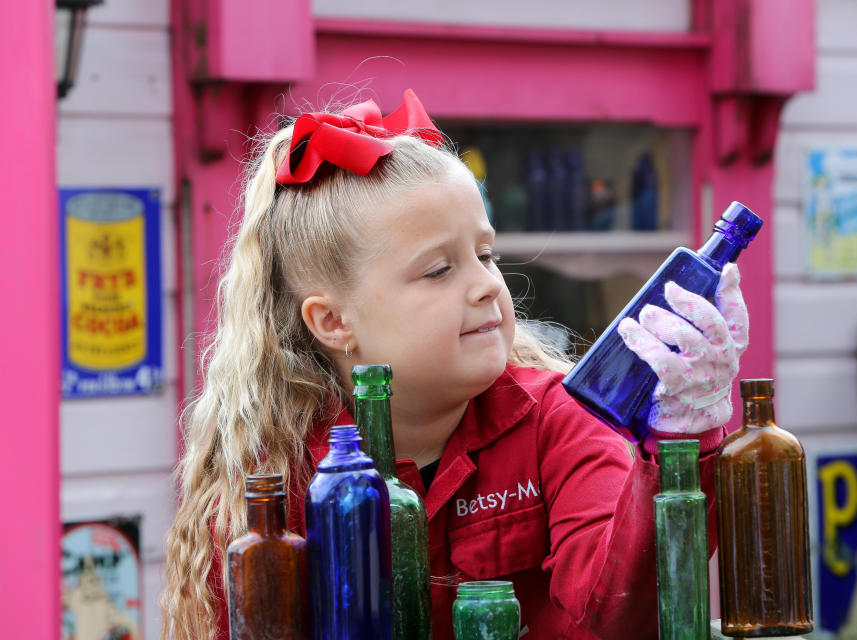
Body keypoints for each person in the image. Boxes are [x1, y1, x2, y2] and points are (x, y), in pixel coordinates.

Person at [160, 89, 750, 640]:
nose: (487, 287)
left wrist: (685, 438)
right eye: (439, 270)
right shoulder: (278, 473)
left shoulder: (557, 419)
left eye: (486, 254)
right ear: (333, 322)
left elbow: (620, 616)